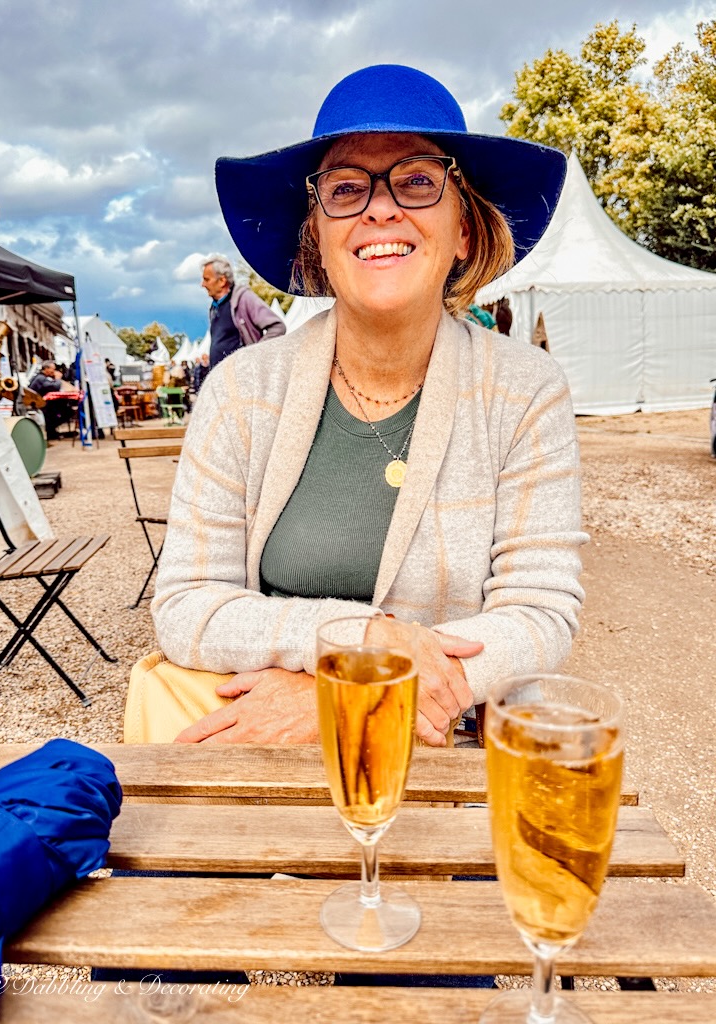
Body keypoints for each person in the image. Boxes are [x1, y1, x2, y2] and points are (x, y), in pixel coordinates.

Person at [127, 64, 586, 747]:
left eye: (419, 180)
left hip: (436, 752)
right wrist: (356, 641)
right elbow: (188, 605)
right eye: (346, 188)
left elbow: (540, 614)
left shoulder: (524, 393)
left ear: (464, 228)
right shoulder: (239, 392)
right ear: (317, 235)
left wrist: (354, 695)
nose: (380, 208)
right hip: (262, 746)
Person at [200, 254, 286, 369]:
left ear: (222, 280)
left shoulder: (244, 298)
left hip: (241, 377)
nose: (203, 284)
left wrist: (254, 354)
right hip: (221, 377)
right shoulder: (214, 307)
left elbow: (277, 327)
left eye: (207, 279)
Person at [28, 359, 66, 440]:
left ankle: (52, 431)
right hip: (38, 405)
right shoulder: (41, 378)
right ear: (46, 369)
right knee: (63, 410)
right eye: (53, 369)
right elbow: (54, 387)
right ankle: (51, 432)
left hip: (40, 403)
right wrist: (58, 379)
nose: (54, 371)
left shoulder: (40, 377)